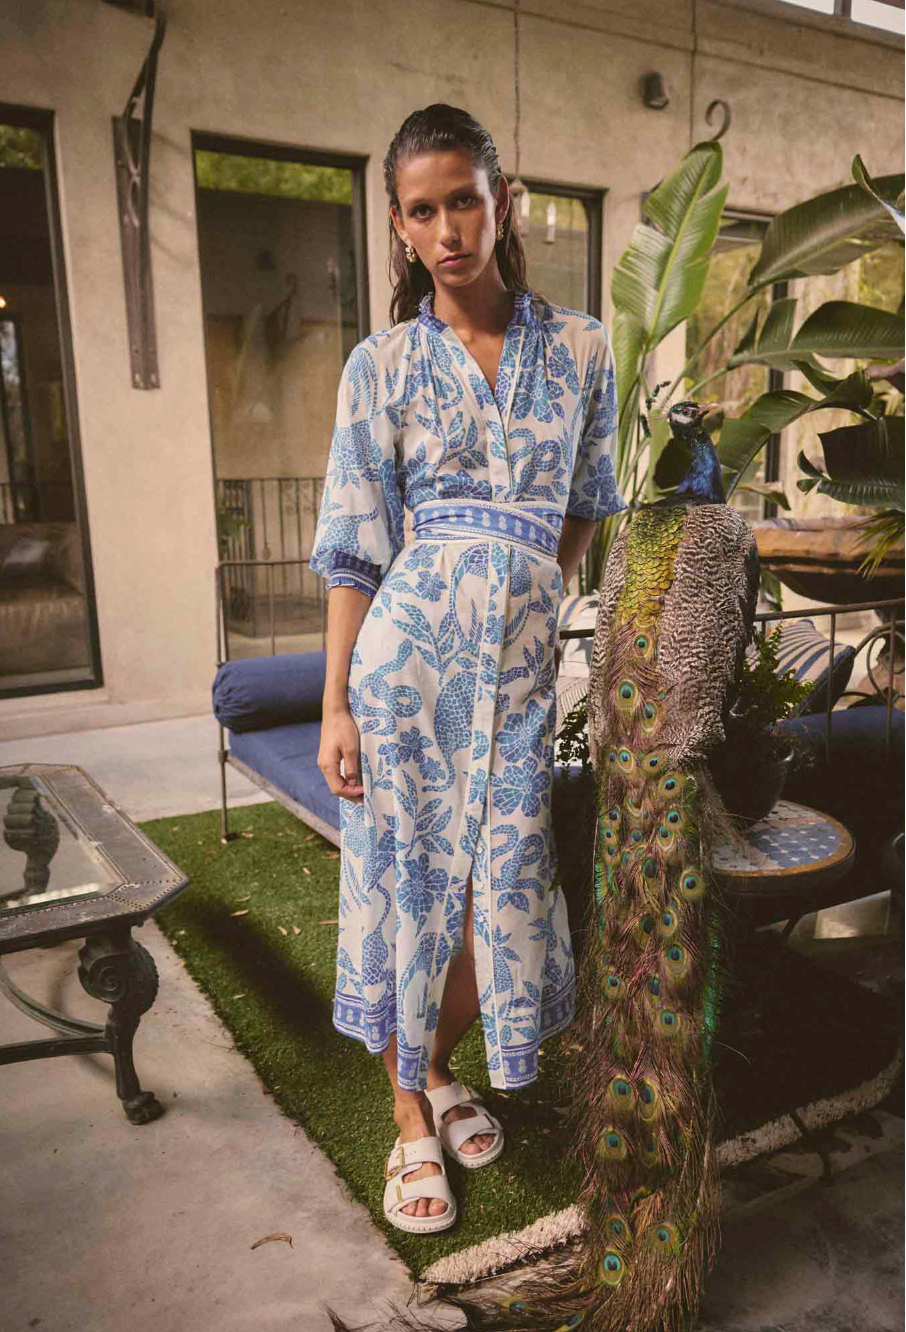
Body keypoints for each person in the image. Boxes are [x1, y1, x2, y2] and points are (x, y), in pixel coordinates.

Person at [311, 103, 624, 1235]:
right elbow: (355, 548)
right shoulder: (381, 364)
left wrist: (532, 589)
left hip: (520, 681)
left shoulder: (583, 348)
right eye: (421, 211)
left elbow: (589, 500)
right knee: (411, 896)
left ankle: (439, 1070)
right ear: (399, 228)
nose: (447, 229)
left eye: (464, 201)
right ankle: (411, 1112)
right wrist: (335, 703)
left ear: (506, 203)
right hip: (404, 673)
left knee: (504, 894)